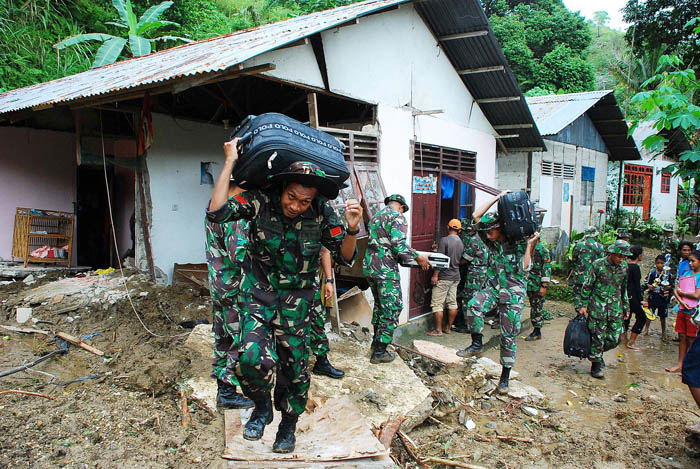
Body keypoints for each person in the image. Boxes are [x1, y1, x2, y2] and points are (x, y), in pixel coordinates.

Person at [207, 138, 362, 453]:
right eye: (292, 197)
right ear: (282, 188)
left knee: (295, 370)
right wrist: (229, 161)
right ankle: (262, 407)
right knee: (250, 358)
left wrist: (352, 229)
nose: (296, 206)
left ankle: (287, 427)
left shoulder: (321, 213)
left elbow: (344, 256)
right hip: (258, 295)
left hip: (297, 304)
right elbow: (217, 212)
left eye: (304, 201)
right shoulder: (260, 201)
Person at [457, 191, 540, 394]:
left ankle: (505, 377)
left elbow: (524, 268)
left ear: (499, 228)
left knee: (508, 335)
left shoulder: (521, 242)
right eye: (486, 233)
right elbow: (476, 217)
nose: (486, 235)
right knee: (473, 305)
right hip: (495, 288)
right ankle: (476, 343)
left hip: (513, 293)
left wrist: (530, 247)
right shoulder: (493, 242)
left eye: (490, 232)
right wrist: (498, 197)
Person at [364, 194, 430, 363]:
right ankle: (380, 351)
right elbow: (398, 244)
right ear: (400, 207)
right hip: (386, 270)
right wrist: (418, 257)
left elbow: (383, 243)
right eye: (403, 210)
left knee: (379, 306)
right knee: (393, 308)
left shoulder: (375, 217)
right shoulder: (397, 217)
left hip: (371, 267)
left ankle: (376, 342)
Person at [205, 183, 254, 410]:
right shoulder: (235, 211)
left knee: (223, 336)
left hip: (219, 283)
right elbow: (239, 255)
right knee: (239, 339)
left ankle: (222, 386)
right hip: (235, 287)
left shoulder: (217, 201)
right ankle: (227, 391)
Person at [579, 240, 631, 379]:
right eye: (619, 256)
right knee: (597, 336)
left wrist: (626, 307)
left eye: (624, 257)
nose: (621, 259)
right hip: (597, 307)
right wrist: (583, 305)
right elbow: (587, 285)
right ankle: (595, 366)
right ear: (612, 253)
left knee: (615, 338)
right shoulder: (598, 265)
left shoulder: (624, 267)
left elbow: (624, 288)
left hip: (615, 308)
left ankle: (597, 353)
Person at [308, 248, 344, 379]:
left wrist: (329, 280)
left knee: (317, 318)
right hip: (282, 282)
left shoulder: (313, 227)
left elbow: (325, 251)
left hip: (310, 280)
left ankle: (321, 361)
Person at [428, 219, 464, 336]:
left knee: (437, 304)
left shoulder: (444, 240)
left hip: (444, 277)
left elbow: (441, 260)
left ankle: (438, 330)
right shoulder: (460, 242)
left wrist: (435, 275)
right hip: (455, 276)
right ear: (459, 230)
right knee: (452, 303)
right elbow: (453, 257)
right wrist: (435, 251)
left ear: (448, 228)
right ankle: (448, 328)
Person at [666, 250, 700, 374]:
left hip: (694, 311)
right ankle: (680, 364)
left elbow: (696, 295)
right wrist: (681, 300)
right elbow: (676, 289)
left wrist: (682, 294)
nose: (690, 263)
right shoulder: (686, 273)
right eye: (689, 261)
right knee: (682, 336)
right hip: (683, 308)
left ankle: (689, 365)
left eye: (693, 261)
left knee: (692, 338)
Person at [457, 218, 492, 334]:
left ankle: (469, 325)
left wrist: (453, 264)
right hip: (485, 271)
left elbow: (466, 258)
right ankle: (477, 322)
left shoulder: (475, 240)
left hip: (475, 273)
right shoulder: (488, 238)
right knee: (479, 297)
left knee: (468, 298)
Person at [571, 226, 605, 314]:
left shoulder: (579, 245)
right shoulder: (600, 247)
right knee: (592, 295)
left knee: (578, 294)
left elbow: (573, 259)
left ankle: (580, 313)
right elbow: (602, 262)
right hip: (594, 277)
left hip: (580, 276)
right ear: (595, 235)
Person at [524, 236, 551, 341]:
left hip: (537, 284)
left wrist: (544, 285)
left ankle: (537, 331)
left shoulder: (542, 250)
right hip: (529, 283)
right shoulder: (528, 248)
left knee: (537, 307)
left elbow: (547, 267)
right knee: (533, 305)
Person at [645, 254, 674, 339]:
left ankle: (663, 332)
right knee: (650, 314)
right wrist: (650, 286)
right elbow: (647, 282)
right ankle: (646, 329)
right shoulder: (652, 273)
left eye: (662, 263)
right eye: (658, 263)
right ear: (655, 263)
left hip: (663, 298)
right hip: (653, 297)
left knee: (663, 316)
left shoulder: (668, 275)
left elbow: (672, 286)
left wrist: (667, 287)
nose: (660, 265)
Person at [625, 246, 646, 350]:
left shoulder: (625, 266)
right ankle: (631, 342)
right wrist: (641, 299)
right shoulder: (635, 268)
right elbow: (637, 286)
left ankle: (623, 339)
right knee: (642, 317)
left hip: (625, 296)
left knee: (626, 317)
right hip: (633, 297)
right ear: (639, 256)